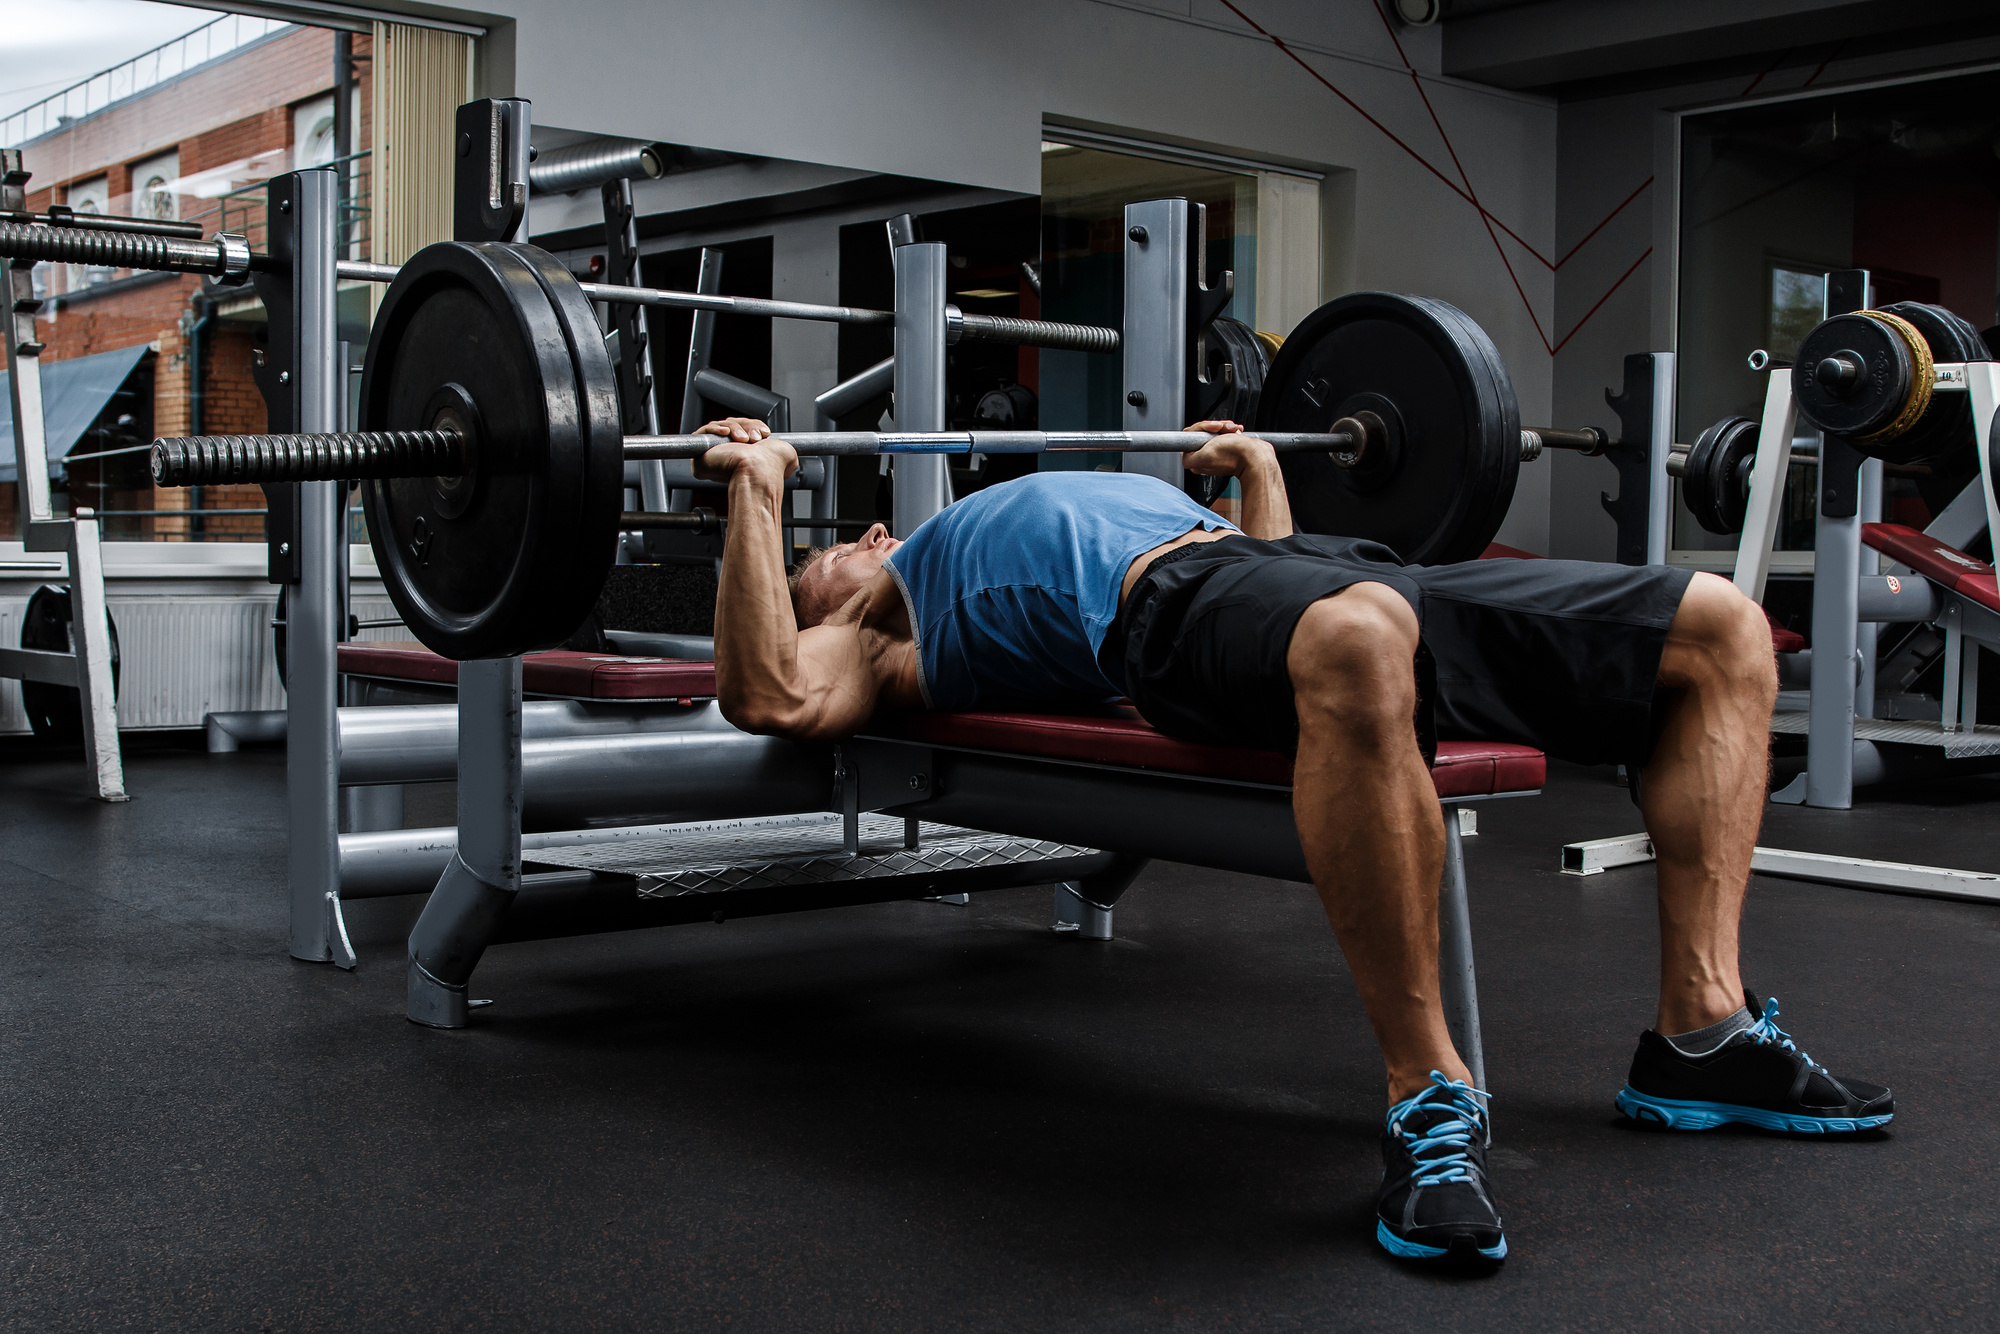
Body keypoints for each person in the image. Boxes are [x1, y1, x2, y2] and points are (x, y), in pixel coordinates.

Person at [692, 414, 1893, 1265]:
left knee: (1721, 628)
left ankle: (1700, 1027)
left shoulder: (947, 544)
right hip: (1160, 614)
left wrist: (1256, 469)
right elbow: (768, 695)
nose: (856, 532)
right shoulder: (879, 635)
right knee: (1359, 639)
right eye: (824, 549)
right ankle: (1429, 1094)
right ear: (817, 594)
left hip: (1295, 568)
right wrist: (756, 493)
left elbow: (1266, 589)